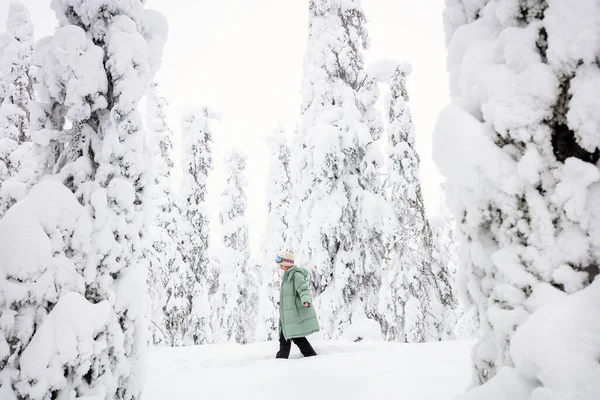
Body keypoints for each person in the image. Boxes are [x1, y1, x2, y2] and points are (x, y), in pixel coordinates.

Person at [275, 251, 319, 359]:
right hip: (287, 315)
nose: (280, 266)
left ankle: (311, 356)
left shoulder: (296, 275)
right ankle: (281, 359)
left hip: (293, 314)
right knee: (285, 337)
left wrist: (306, 299)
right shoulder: (287, 276)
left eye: (281, 264)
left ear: (287, 264)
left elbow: (303, 288)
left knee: (297, 338)